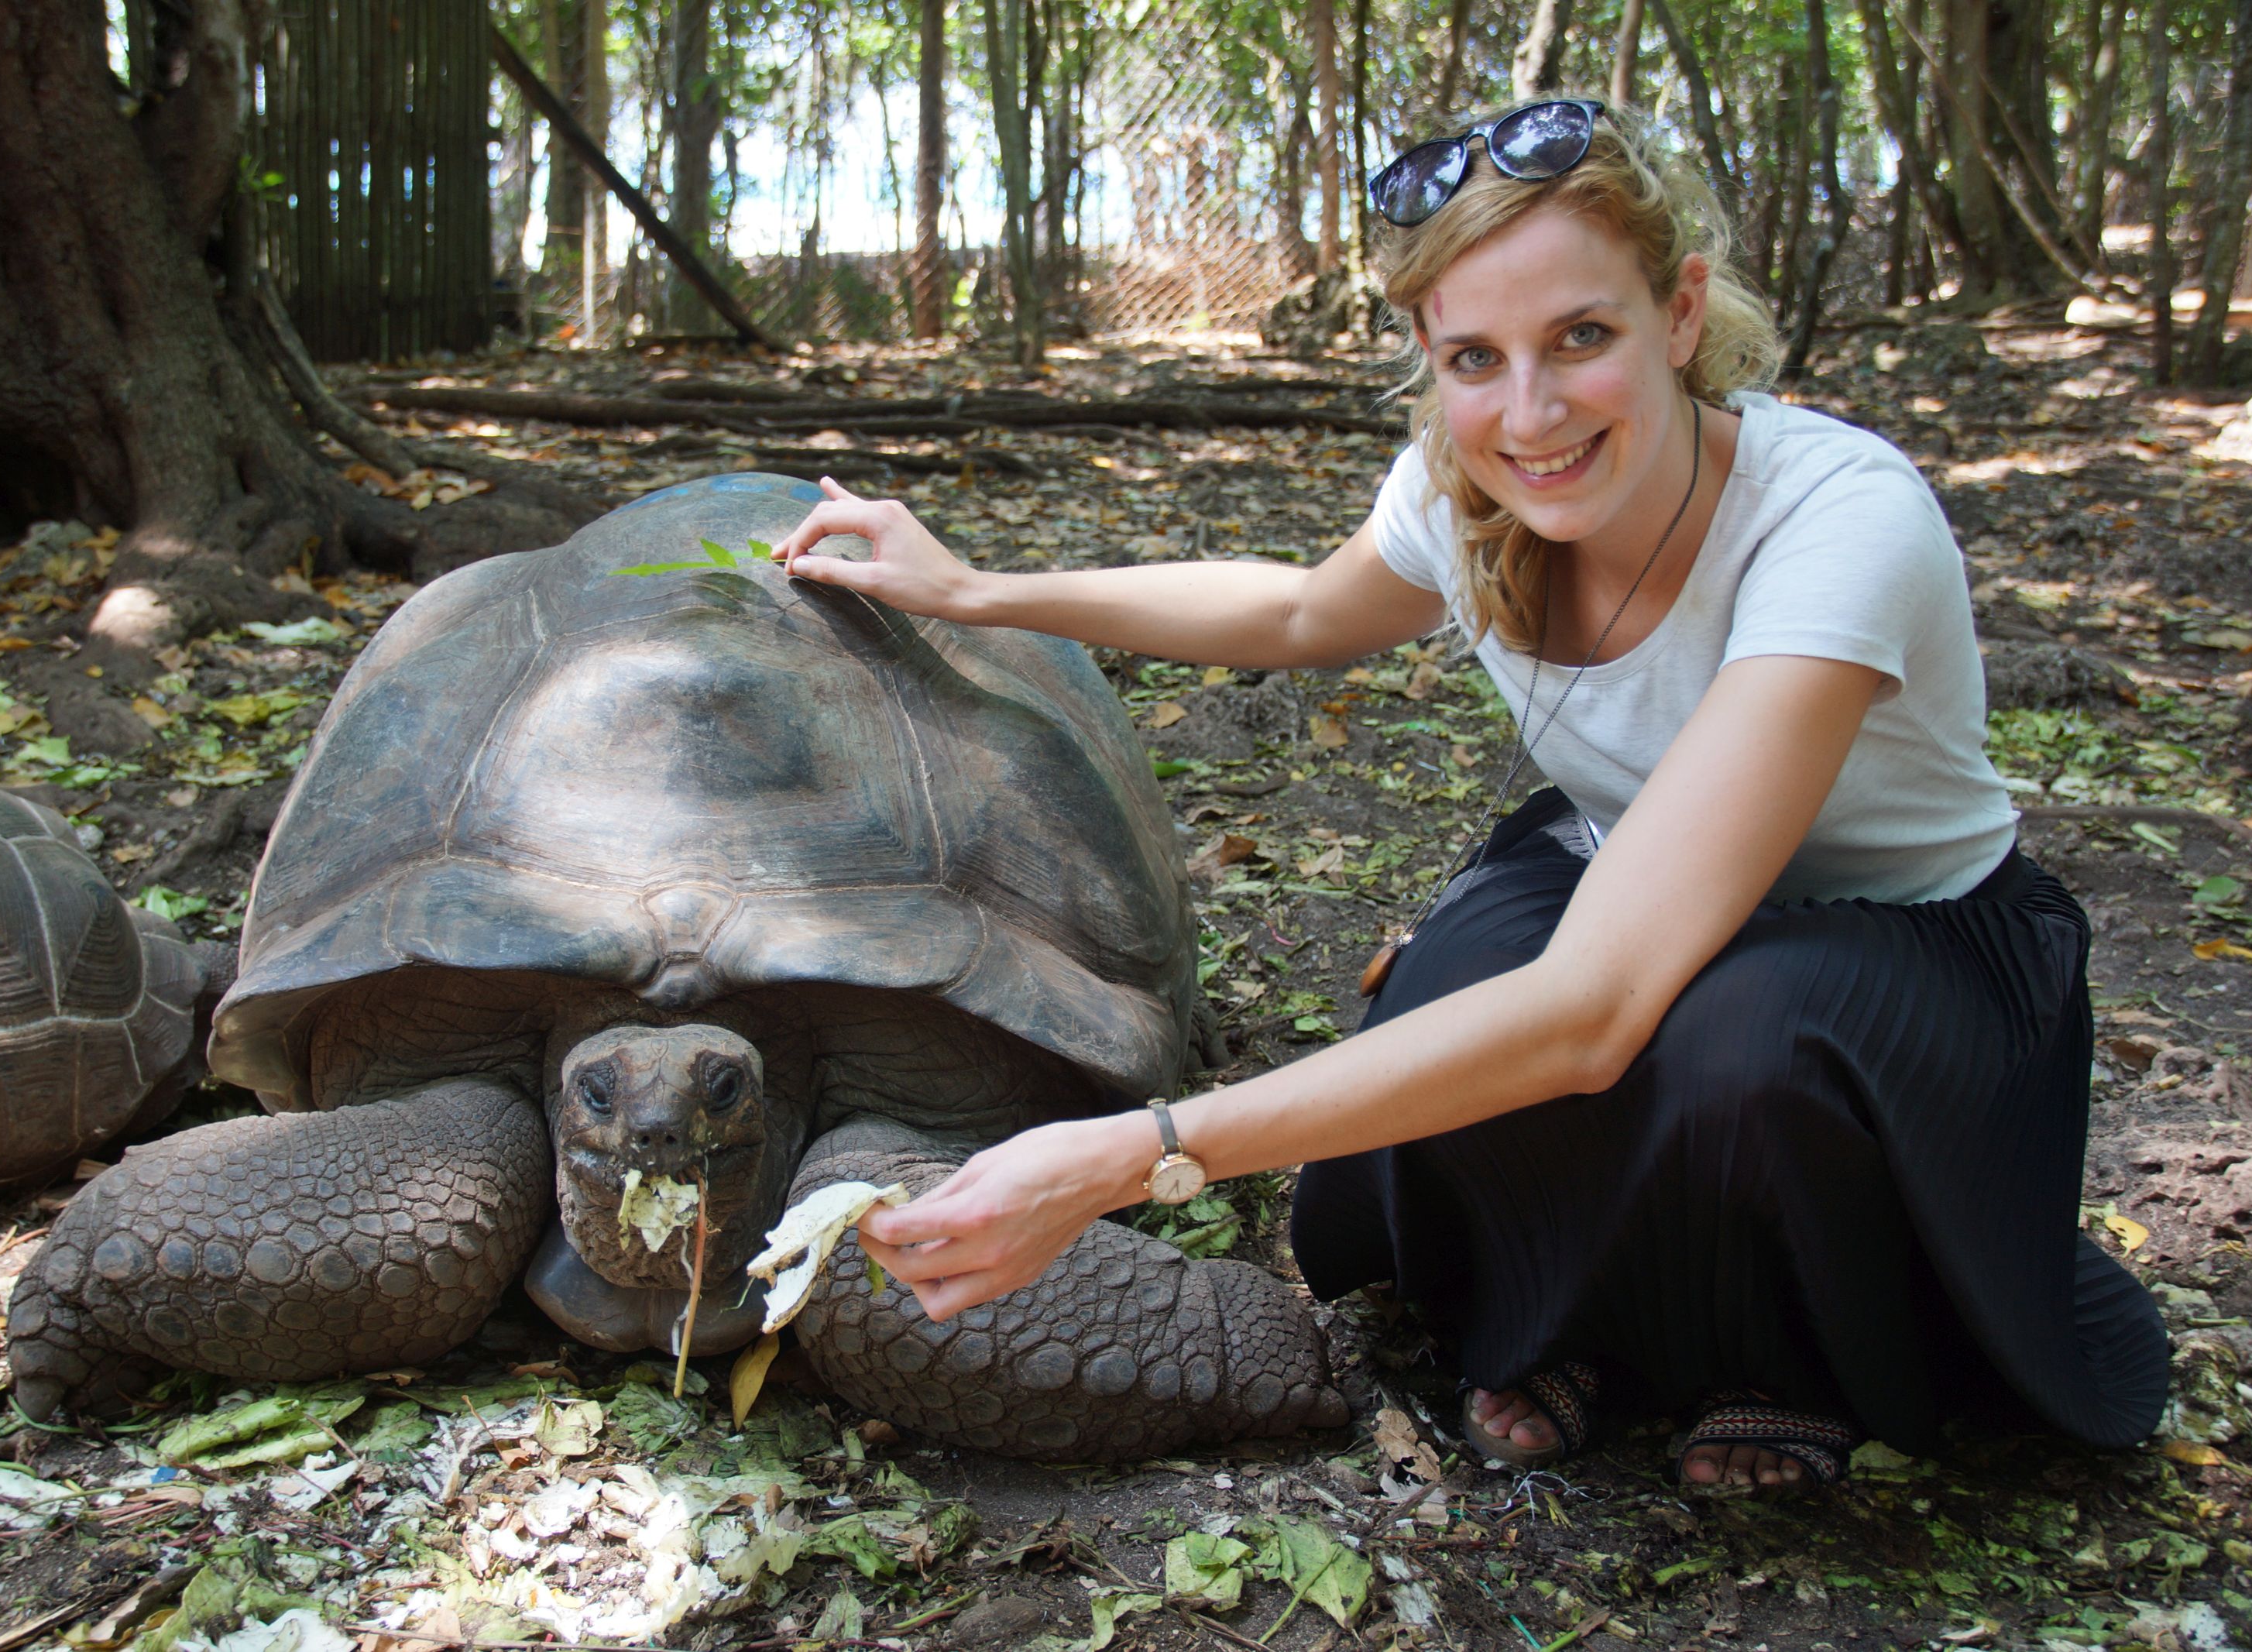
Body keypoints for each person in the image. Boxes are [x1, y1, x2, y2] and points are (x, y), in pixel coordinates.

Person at [767, 97, 2167, 1489]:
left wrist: (1130, 1156)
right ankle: (1585, 1317)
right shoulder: (1465, 485)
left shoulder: (1841, 517)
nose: (1532, 413)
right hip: (1635, 875)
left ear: (1679, 314)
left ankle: (1784, 1352)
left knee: (1735, 1035)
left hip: (1910, 942)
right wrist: (974, 591)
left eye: (1583, 338)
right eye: (1474, 359)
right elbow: (1303, 611)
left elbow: (1597, 1007)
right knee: (1449, 989)